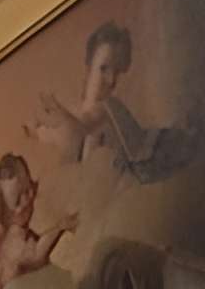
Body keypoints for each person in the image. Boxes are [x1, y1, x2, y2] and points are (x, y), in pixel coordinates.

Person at [31, 22, 194, 179]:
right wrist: (41, 132)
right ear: (89, 65)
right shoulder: (78, 110)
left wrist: (59, 120)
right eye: (103, 69)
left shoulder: (107, 107)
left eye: (116, 72)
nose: (111, 80)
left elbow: (83, 127)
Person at [0, 153, 76, 289]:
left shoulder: (22, 231)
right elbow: (36, 257)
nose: (26, 202)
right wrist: (60, 228)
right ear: (4, 212)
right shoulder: (14, 237)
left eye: (28, 191)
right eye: (16, 202)